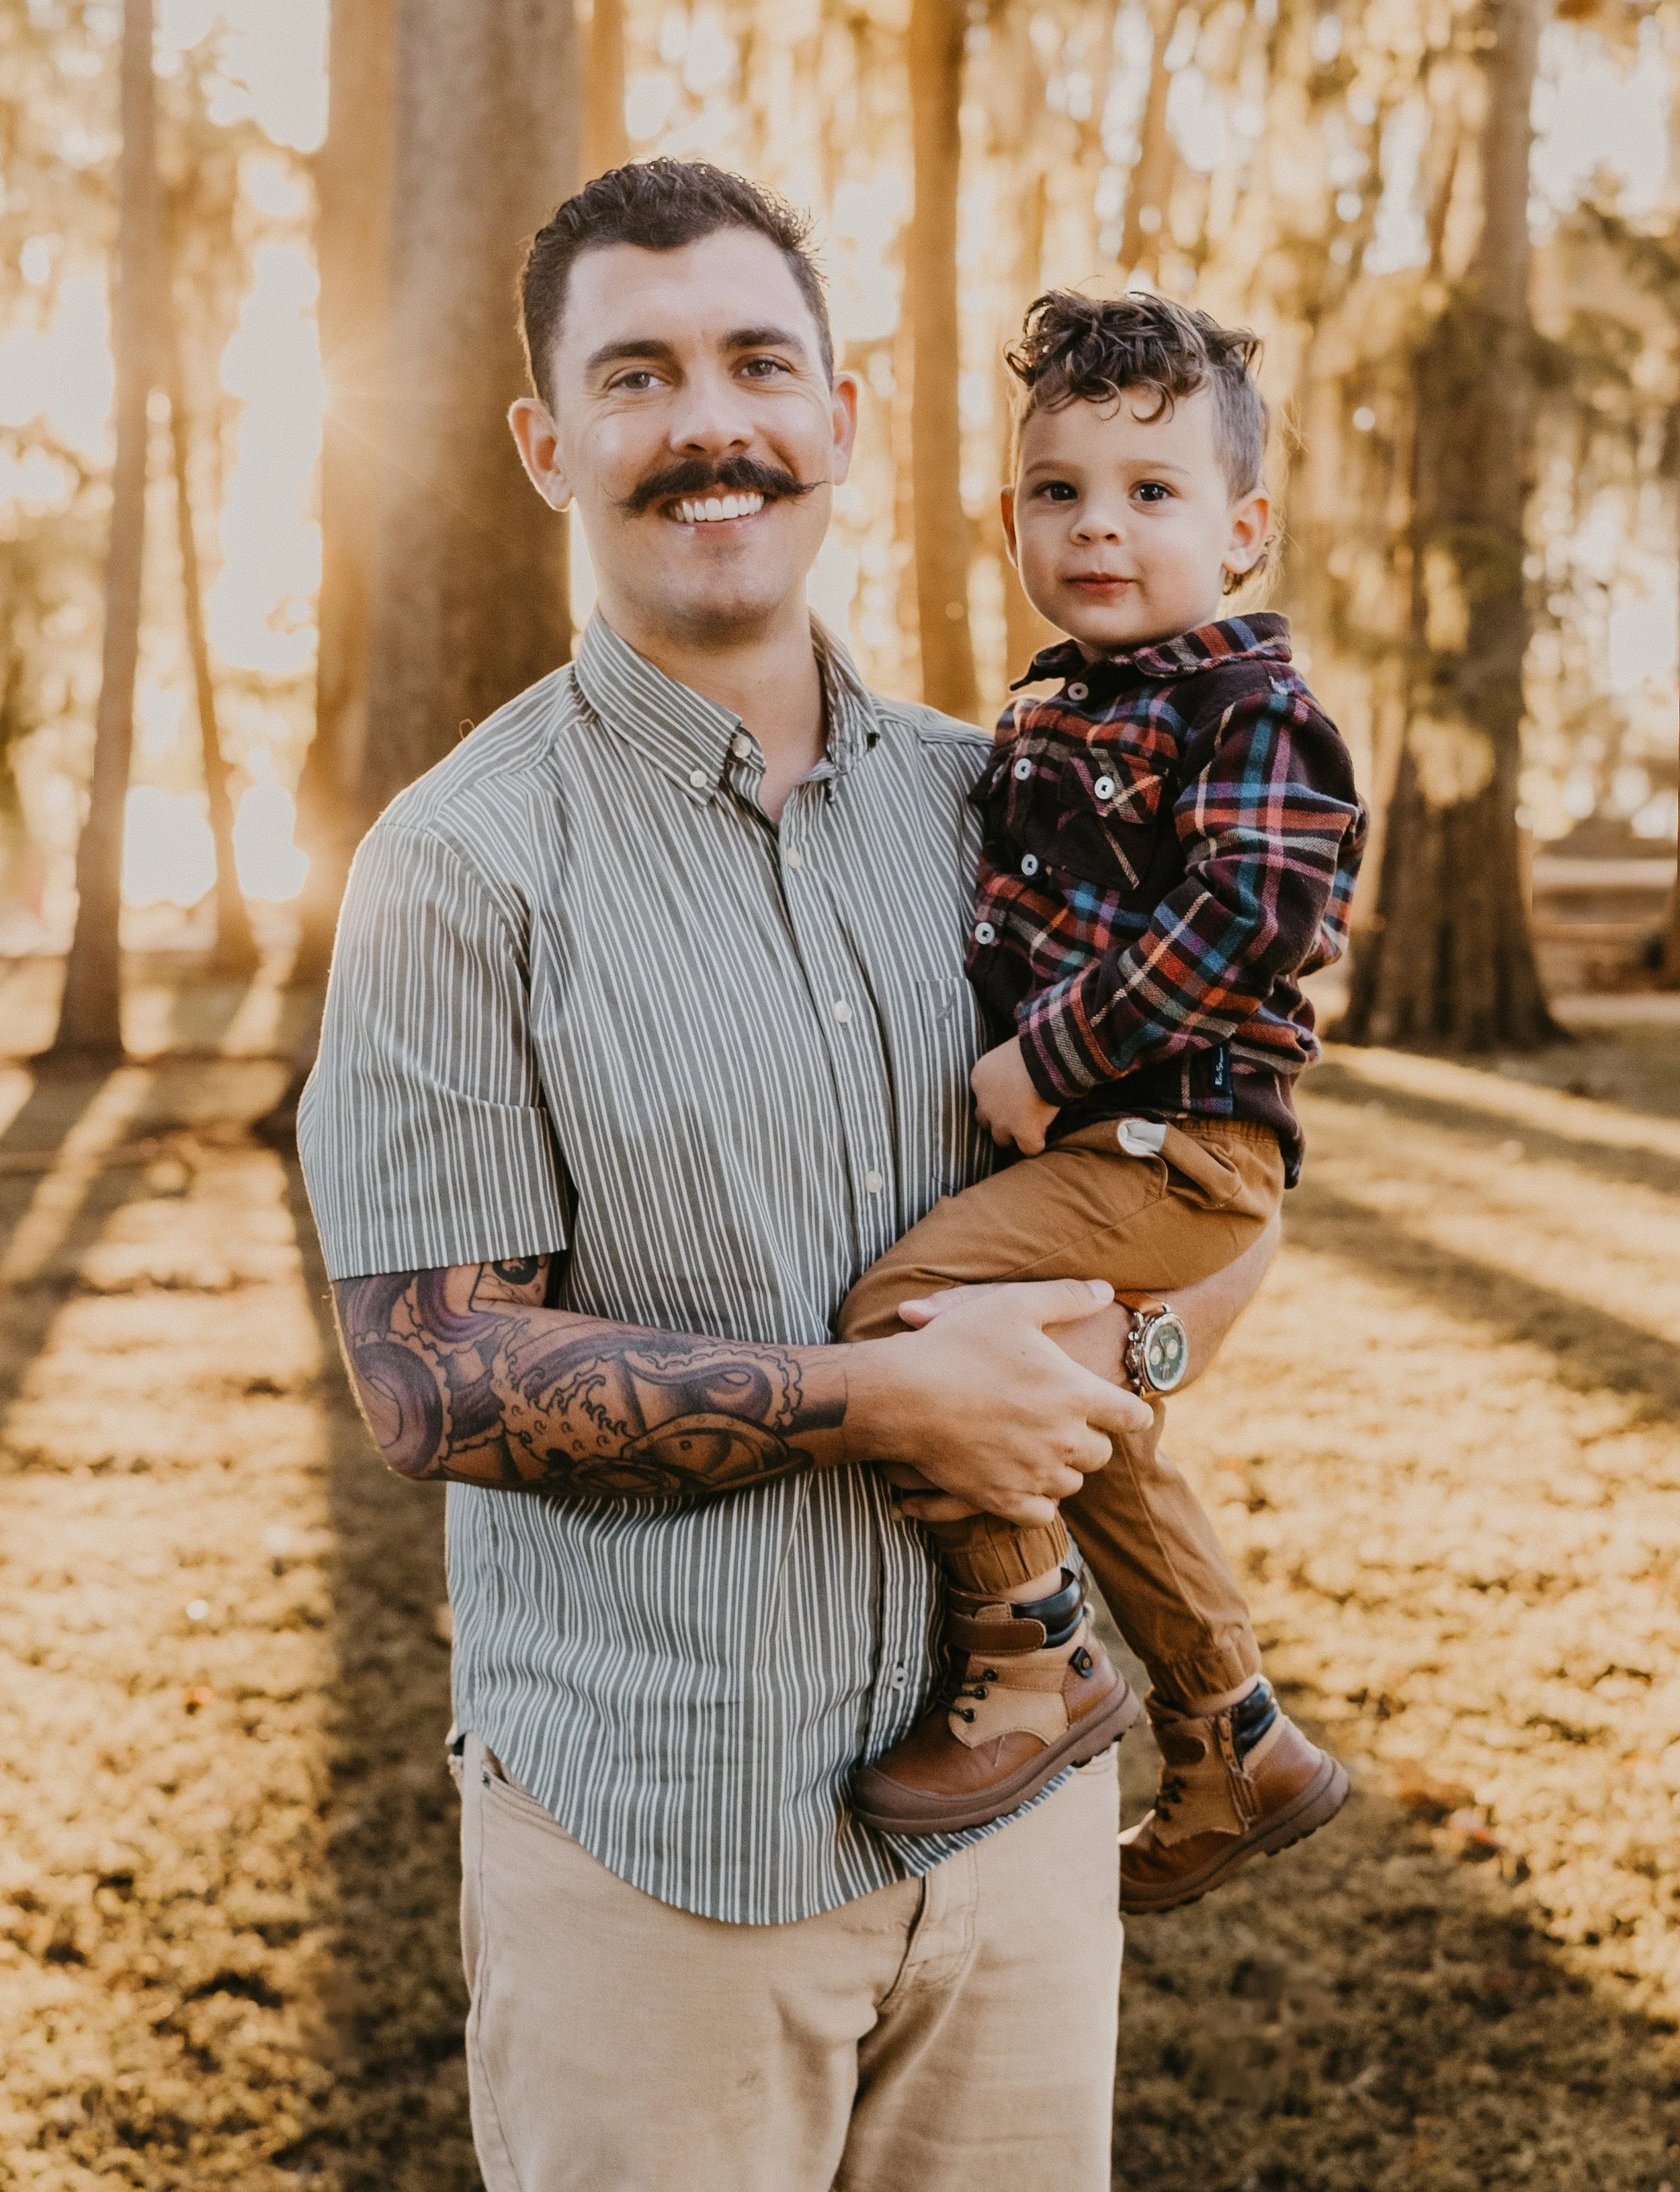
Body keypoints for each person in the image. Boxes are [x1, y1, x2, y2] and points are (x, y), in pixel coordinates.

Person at [298, 159, 1275, 2192]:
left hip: (1020, 1853)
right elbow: (427, 1371)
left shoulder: (1016, 799)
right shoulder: (456, 866)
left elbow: (1205, 1178)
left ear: (839, 410)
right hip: (657, 1854)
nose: (707, 421)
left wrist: (1132, 1362)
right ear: (546, 441)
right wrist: (885, 1398)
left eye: (755, 360)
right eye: (636, 375)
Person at [838, 292, 1367, 1916]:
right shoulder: (1048, 707)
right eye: (1057, 491)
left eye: (1150, 493)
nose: (1097, 527)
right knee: (1076, 1422)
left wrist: (1049, 1057)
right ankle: (1239, 1736)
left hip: (1172, 1144)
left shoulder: (1244, 709)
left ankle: (1032, 1659)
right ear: (1007, 519)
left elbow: (1259, 914)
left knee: (909, 1311)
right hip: (1111, 1152)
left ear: (1242, 529)